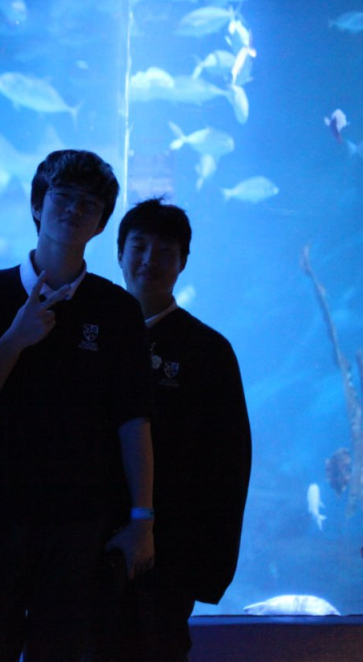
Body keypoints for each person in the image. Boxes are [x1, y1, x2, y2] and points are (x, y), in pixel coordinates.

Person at [0, 149, 155, 662]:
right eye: (62, 196)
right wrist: (16, 337)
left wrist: (142, 518)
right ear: (37, 205)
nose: (74, 209)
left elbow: (133, 420)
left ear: (102, 222)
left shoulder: (117, 309)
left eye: (89, 203)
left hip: (81, 525)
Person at [110, 197, 251, 661]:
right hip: (85, 542)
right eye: (139, 246)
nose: (149, 260)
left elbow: (230, 464)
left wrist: (208, 567)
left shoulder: (209, 351)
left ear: (183, 262)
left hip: (171, 550)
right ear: (119, 252)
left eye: (165, 251)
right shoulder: (92, 331)